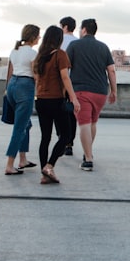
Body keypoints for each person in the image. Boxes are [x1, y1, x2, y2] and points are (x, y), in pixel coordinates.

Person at [65, 18, 117, 171]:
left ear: (84, 30)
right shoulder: (103, 47)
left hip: (81, 91)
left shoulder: (74, 45)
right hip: (100, 91)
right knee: (93, 123)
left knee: (84, 124)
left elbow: (65, 69)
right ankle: (88, 152)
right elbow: (111, 71)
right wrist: (114, 91)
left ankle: (88, 159)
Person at [33, 25, 81, 184]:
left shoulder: (39, 56)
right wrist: (74, 98)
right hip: (56, 100)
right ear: (59, 39)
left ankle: (44, 173)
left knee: (45, 137)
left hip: (40, 100)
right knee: (66, 135)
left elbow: (36, 78)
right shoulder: (60, 55)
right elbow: (65, 78)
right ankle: (50, 165)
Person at [4, 24, 40, 176]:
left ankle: (23, 159)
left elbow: (10, 72)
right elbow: (36, 74)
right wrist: (38, 92)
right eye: (38, 35)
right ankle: (10, 165)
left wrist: (7, 90)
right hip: (25, 86)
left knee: (26, 124)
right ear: (33, 37)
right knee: (19, 127)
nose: (39, 38)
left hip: (12, 86)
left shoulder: (14, 51)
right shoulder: (33, 53)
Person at [59, 16, 78, 157]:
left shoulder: (59, 41)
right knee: (72, 113)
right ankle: (69, 143)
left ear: (64, 27)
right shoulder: (78, 42)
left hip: (59, 82)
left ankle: (61, 138)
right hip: (74, 82)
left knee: (58, 112)